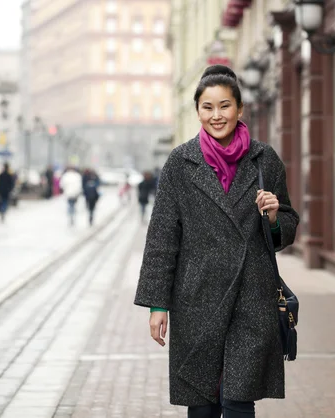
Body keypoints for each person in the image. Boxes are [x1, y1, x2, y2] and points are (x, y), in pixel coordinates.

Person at [134, 65, 299, 418]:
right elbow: (163, 237)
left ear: (239, 109)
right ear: (198, 112)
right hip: (196, 297)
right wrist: (157, 305)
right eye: (207, 107)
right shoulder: (181, 162)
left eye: (224, 106)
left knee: (240, 400)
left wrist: (272, 218)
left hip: (251, 296)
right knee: (203, 403)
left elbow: (287, 225)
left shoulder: (264, 159)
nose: (216, 115)